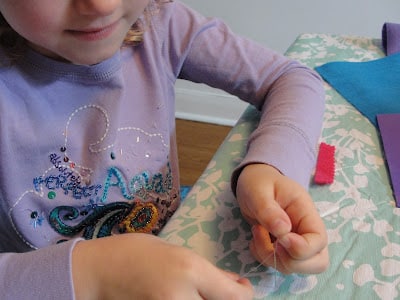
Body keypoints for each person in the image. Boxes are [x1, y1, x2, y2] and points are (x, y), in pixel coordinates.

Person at [0, 0, 329, 299]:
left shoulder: (161, 23)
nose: (102, 5)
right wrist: (91, 275)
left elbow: (292, 78)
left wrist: (270, 167)